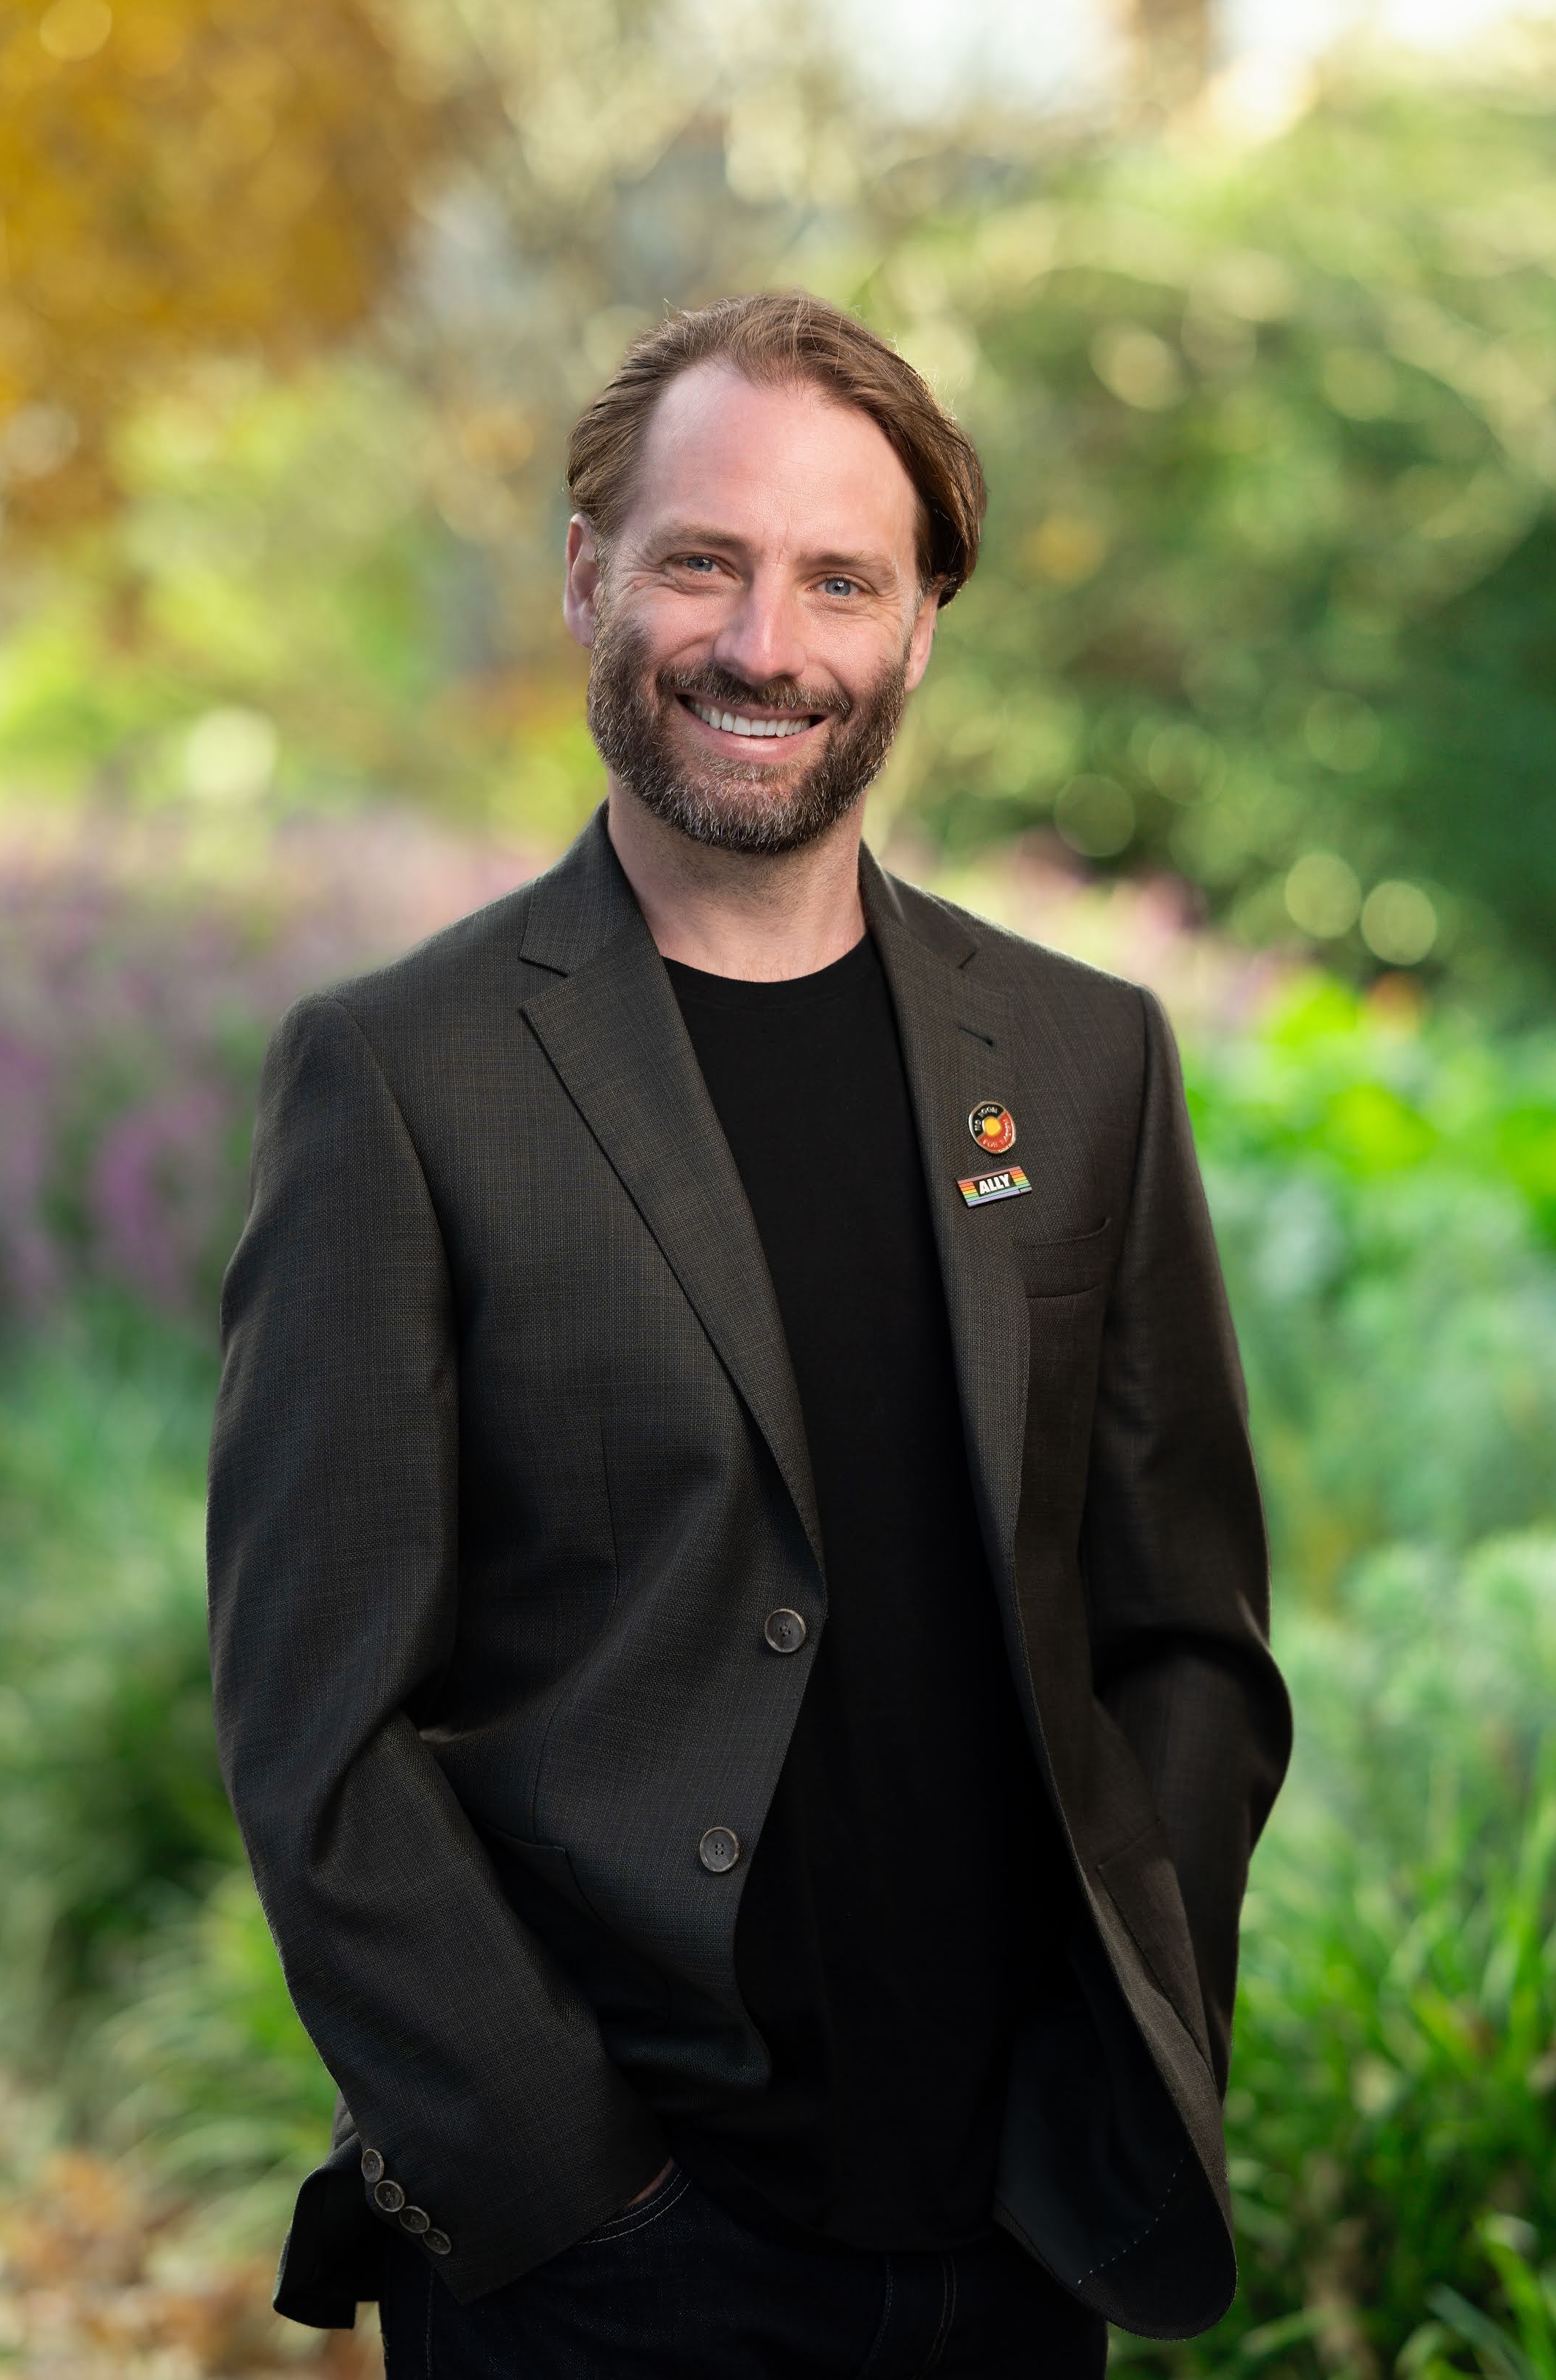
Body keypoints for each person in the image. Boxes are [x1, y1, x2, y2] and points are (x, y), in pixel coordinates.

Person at [207, 289, 1289, 2379]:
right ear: (588, 577)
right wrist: (569, 2185)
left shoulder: (1084, 1065)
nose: (764, 645)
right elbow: (317, 1734)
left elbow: (1185, 1644)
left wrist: (1104, 2075)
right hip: (601, 2276)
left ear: (921, 628)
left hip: (1009, 2245)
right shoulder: (401, 1079)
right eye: (703, 562)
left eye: (840, 581)